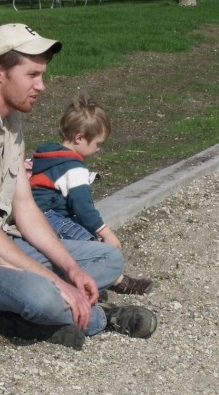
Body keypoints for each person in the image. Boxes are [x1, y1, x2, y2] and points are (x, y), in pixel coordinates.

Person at [0, 23, 157, 350]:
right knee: (43, 294)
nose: (41, 86)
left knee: (109, 259)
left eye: (42, 75)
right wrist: (58, 283)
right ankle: (102, 317)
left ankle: (30, 312)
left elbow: (25, 208)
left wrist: (72, 270)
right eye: (32, 75)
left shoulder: (11, 122)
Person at [30, 95, 154, 296]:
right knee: (87, 243)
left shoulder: (49, 156)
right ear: (79, 138)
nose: (98, 150)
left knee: (80, 233)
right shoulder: (74, 168)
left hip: (35, 213)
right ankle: (115, 280)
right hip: (48, 217)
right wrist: (106, 232)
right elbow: (83, 207)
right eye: (97, 143)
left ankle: (92, 279)